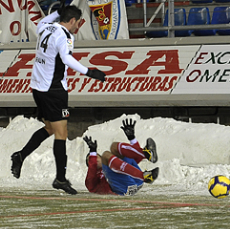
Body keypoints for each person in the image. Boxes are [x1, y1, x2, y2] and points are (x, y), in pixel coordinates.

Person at [10, 3, 106, 195]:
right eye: (77, 23)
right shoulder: (65, 35)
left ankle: (20, 156)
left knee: (50, 128)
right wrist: (90, 72)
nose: (78, 27)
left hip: (37, 86)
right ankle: (60, 179)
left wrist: (58, 10)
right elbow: (67, 59)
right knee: (61, 133)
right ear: (72, 21)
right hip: (53, 89)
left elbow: (47, 18)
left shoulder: (44, 26)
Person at [83, 119, 159, 196]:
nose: (94, 160)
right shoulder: (94, 177)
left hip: (136, 182)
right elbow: (91, 184)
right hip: (120, 189)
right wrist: (92, 152)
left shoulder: (114, 163)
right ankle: (143, 176)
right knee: (106, 154)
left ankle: (146, 154)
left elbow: (133, 160)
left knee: (114, 147)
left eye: (96, 157)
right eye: (91, 159)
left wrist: (132, 138)